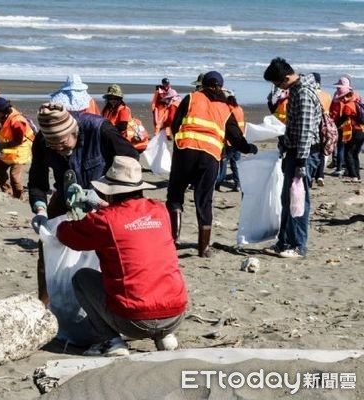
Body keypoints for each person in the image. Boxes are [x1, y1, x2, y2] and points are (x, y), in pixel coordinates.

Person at [56, 156, 187, 356]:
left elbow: (67, 236)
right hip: (175, 315)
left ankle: (111, 341)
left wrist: (71, 217)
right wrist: (100, 207)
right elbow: (130, 219)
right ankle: (164, 335)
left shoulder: (105, 221)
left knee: (82, 278)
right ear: (140, 188)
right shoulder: (160, 210)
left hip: (134, 321)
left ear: (110, 192)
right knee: (154, 272)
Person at [29, 102, 139, 303]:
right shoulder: (42, 141)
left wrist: (105, 189)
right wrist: (40, 211)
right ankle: (44, 306)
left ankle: (111, 302)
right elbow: (36, 182)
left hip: (102, 197)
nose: (59, 150)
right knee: (47, 249)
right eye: (52, 146)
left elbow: (130, 158)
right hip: (66, 195)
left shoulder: (100, 130)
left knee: (106, 254)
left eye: (62, 143)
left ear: (74, 132)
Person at [167, 71, 258, 257]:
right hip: (210, 156)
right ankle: (204, 249)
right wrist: (249, 148)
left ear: (203, 84)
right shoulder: (225, 108)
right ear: (220, 87)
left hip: (185, 151)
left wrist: (180, 140)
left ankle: (172, 242)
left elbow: (176, 124)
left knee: (175, 196)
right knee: (204, 199)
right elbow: (236, 137)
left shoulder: (191, 98)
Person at [263, 57, 322, 259]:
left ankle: (298, 246)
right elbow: (294, 125)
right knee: (287, 199)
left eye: (278, 84)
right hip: (295, 151)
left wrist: (301, 162)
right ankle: (284, 242)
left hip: (304, 153)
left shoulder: (304, 94)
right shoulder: (295, 90)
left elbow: (305, 131)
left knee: (298, 200)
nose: (278, 88)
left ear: (287, 77)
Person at [0, 97, 35, 199]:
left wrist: (1, 146)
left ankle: (19, 197)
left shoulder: (17, 121)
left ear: (2, 111)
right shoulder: (3, 117)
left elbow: (18, 140)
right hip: (10, 149)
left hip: (21, 149)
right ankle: (7, 192)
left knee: (14, 176)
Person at [331, 83, 363, 182]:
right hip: (361, 131)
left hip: (353, 132)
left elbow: (342, 119)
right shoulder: (357, 102)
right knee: (354, 154)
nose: (342, 100)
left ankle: (353, 175)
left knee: (348, 153)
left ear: (347, 95)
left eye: (343, 97)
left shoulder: (348, 106)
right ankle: (357, 175)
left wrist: (333, 124)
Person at [215, 90, 246, 192]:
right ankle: (237, 184)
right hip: (239, 140)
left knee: (222, 164)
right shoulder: (239, 109)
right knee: (235, 163)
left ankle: (217, 183)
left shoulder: (227, 109)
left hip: (228, 142)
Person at [312, 72, 332, 187]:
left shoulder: (311, 94)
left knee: (313, 151)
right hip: (326, 125)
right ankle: (320, 176)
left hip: (316, 124)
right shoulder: (327, 95)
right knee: (322, 152)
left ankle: (313, 174)